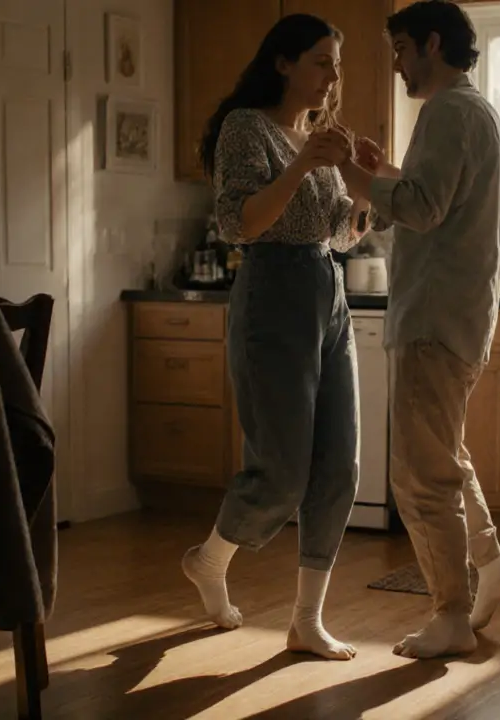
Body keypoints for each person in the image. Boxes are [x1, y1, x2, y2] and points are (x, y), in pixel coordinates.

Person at [338, 0, 500, 659]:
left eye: (401, 49)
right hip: (459, 315)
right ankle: (492, 563)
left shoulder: (447, 111)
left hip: (433, 315)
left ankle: (449, 613)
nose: (395, 64)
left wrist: (355, 176)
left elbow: (420, 208)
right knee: (444, 455)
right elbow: (428, 198)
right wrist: (383, 173)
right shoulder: (474, 111)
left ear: (433, 44)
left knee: (419, 476)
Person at [182, 13, 369, 661]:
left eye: (336, 64)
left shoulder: (316, 137)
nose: (332, 76)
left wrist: (364, 181)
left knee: (340, 465)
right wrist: (303, 165)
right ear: (284, 63)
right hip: (273, 297)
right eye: (321, 61)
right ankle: (211, 559)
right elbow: (241, 224)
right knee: (282, 472)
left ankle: (306, 620)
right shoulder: (247, 129)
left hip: (328, 291)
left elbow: (343, 230)